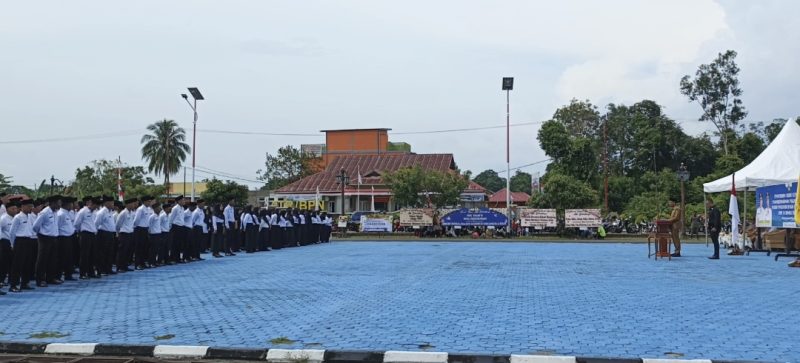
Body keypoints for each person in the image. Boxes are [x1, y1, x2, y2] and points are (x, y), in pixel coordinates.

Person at [8, 199, 36, 292]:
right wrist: (12, 244)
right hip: (20, 241)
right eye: (29, 206)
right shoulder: (18, 217)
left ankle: (25, 283)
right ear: (23, 207)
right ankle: (13, 285)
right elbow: (12, 232)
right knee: (17, 264)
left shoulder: (31, 216)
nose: (30, 208)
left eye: (31, 206)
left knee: (27, 263)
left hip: (29, 240)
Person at [74, 196, 98, 279]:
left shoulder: (94, 212)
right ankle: (83, 273)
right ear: (90, 204)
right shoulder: (83, 211)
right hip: (85, 234)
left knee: (92, 254)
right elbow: (76, 223)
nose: (95, 207)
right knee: (84, 255)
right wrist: (80, 232)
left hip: (92, 234)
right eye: (94, 205)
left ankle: (91, 272)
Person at [0, 200, 19, 294]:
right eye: (13, 208)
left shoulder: (15, 218)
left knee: (13, 263)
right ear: (7, 209)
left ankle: (12, 282)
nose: (15, 210)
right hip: (5, 243)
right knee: (4, 264)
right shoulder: (3, 219)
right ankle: (2, 280)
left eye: (16, 208)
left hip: (14, 243)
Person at [56, 196, 77, 281]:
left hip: (69, 238)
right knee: (61, 258)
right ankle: (58, 275)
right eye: (71, 204)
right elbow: (57, 226)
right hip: (62, 238)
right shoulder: (61, 214)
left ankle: (68, 274)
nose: (72, 206)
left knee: (69, 257)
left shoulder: (67, 213)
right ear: (67, 205)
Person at [115, 198, 137, 272]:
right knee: (122, 251)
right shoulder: (123, 213)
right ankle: (119, 267)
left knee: (127, 251)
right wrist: (118, 233)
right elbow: (118, 224)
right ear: (128, 204)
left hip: (130, 233)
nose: (134, 205)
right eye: (132, 204)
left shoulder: (131, 213)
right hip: (124, 234)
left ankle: (124, 266)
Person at [132, 195, 153, 270]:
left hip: (145, 229)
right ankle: (137, 264)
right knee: (139, 248)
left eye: (150, 201)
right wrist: (136, 228)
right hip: (139, 229)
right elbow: (136, 220)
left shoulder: (147, 209)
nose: (149, 203)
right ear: (144, 202)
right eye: (148, 201)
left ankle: (142, 263)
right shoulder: (140, 209)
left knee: (144, 247)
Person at [168, 195, 185, 263]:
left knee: (179, 243)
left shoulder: (182, 208)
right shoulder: (175, 208)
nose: (184, 201)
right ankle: (173, 258)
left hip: (181, 226)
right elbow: (171, 218)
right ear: (179, 201)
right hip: (175, 226)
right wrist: (169, 227)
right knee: (174, 243)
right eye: (182, 200)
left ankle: (177, 258)